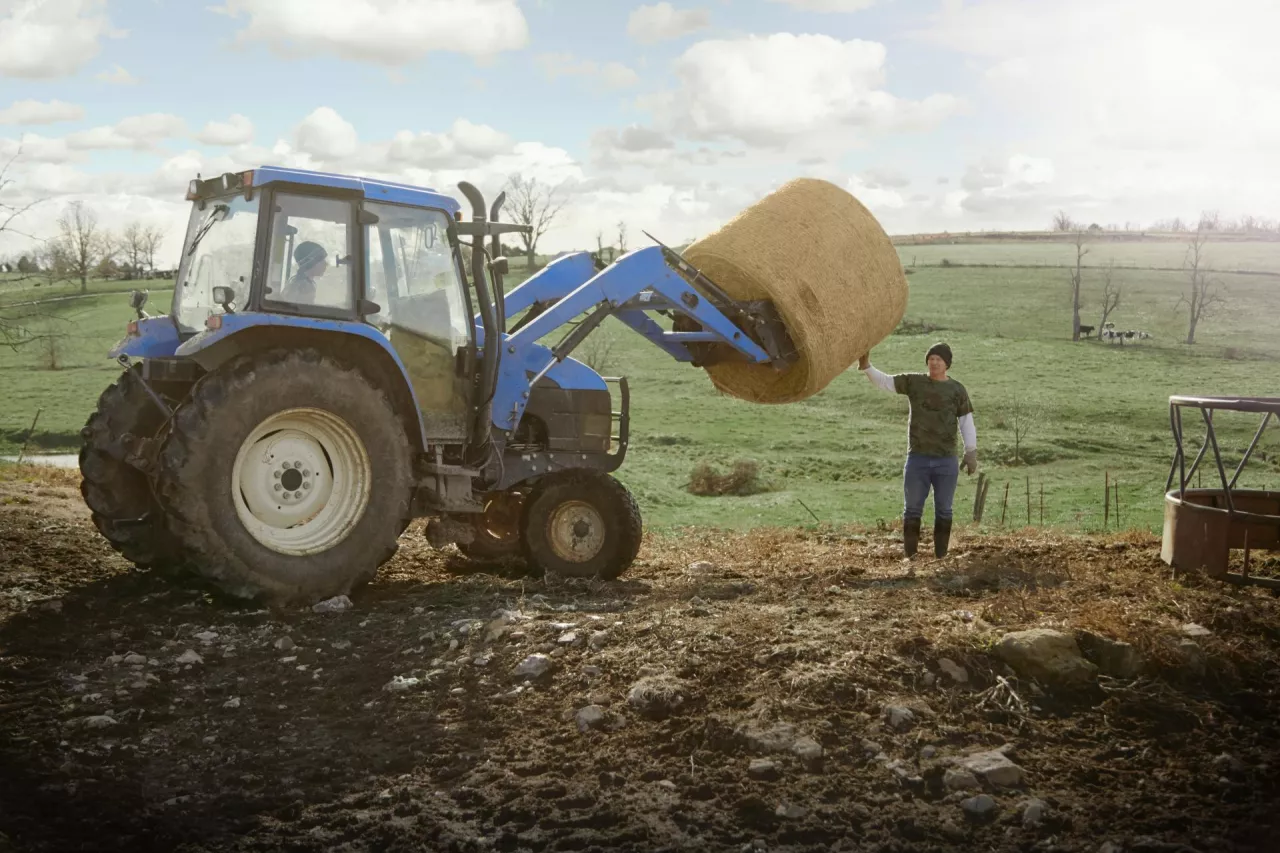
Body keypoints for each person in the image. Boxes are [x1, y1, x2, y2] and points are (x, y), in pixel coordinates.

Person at [858, 342, 978, 559]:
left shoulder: (957, 389)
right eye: (931, 358)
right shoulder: (915, 382)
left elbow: (966, 421)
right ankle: (910, 557)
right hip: (918, 459)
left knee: (944, 510)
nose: (934, 362)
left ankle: (941, 556)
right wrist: (866, 366)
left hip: (946, 461)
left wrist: (971, 452)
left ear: (947, 364)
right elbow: (885, 382)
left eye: (938, 359)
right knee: (912, 509)